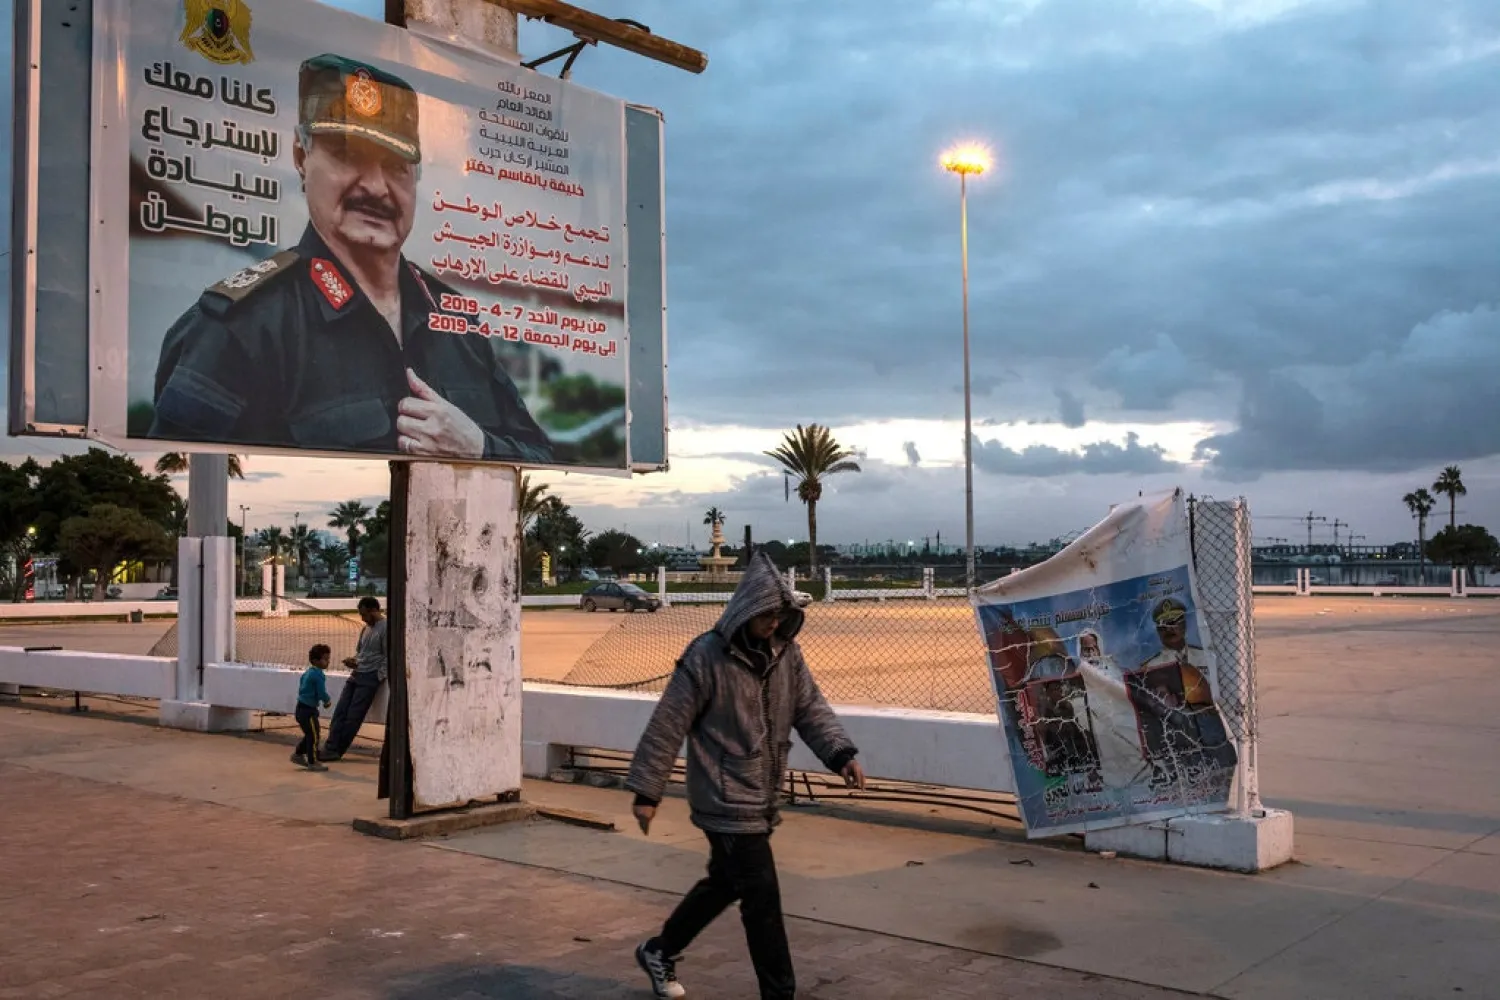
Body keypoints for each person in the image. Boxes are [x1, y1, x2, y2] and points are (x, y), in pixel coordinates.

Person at [148, 53, 553, 462]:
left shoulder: (455, 319)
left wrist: (479, 448)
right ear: (302, 157)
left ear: (415, 178)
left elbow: (543, 460)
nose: (376, 187)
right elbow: (179, 480)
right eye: (350, 155)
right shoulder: (242, 327)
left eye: (396, 166)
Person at [626, 550, 866, 1000]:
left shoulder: (786, 656)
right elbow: (668, 721)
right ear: (746, 610)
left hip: (762, 794)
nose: (774, 623)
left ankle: (659, 950)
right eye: (767, 614)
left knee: (725, 883)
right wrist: (647, 789)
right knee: (762, 901)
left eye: (780, 614)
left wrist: (840, 754)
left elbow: (810, 708)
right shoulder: (705, 657)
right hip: (722, 796)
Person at [321, 597, 387, 761]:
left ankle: (337, 750)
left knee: (354, 716)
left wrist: (379, 675)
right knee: (340, 712)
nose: (362, 618)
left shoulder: (385, 628)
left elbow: (388, 656)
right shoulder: (366, 629)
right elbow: (361, 652)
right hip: (357, 673)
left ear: (373, 611)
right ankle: (330, 746)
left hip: (371, 676)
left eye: (364, 614)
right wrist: (354, 661)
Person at [293, 644, 333, 771]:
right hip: (308, 711)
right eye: (325, 659)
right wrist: (327, 701)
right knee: (314, 736)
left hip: (300, 708)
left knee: (310, 734)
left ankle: (298, 754)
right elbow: (321, 692)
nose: (328, 661)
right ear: (316, 661)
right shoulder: (318, 675)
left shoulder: (308, 672)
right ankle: (312, 761)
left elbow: (302, 687)